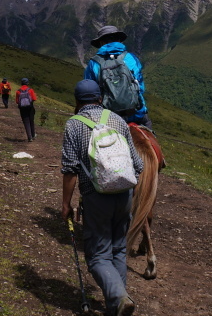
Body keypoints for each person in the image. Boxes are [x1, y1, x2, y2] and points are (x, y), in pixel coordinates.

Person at [61, 79, 143, 316]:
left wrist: (66, 204)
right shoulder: (117, 120)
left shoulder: (74, 125)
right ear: (100, 98)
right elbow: (137, 165)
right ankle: (116, 304)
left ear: (77, 101)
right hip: (124, 194)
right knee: (118, 249)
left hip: (96, 197)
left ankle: (118, 297)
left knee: (97, 256)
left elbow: (69, 170)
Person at [84, 25, 152, 130]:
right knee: (150, 137)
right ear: (119, 40)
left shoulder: (94, 63)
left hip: (107, 117)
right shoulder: (131, 58)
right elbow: (141, 87)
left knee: (89, 140)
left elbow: (90, 93)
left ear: (101, 42)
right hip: (136, 113)